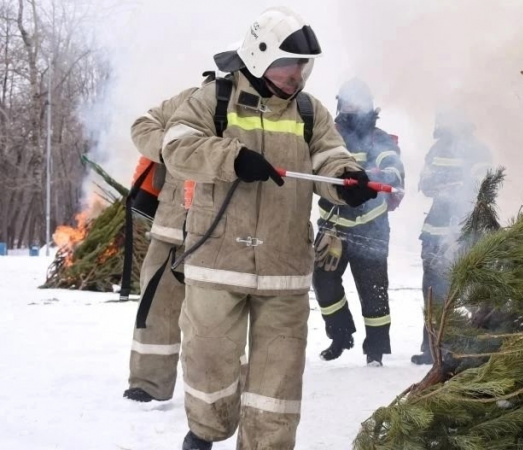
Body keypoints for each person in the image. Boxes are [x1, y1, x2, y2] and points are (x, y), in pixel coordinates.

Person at [161, 7, 376, 450]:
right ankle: (204, 433)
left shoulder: (309, 111)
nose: (297, 74)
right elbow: (176, 147)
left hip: (284, 269)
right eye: (287, 63)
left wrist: (347, 179)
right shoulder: (212, 98)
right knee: (209, 363)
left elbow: (328, 159)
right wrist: (231, 158)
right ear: (259, 57)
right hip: (217, 265)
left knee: (277, 383)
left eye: (302, 65)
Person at [312, 78, 405, 367]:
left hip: (371, 228)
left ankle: (375, 352)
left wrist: (373, 176)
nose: (352, 108)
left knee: (373, 290)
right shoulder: (329, 135)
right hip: (333, 227)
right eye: (347, 102)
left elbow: (394, 168)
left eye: (357, 102)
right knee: (323, 282)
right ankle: (340, 335)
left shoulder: (381, 139)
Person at [123, 84, 202, 403]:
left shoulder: (258, 107)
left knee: (219, 318)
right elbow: (143, 125)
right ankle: (148, 382)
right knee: (154, 311)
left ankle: (222, 388)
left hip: (224, 238)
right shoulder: (191, 98)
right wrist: (173, 148)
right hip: (171, 228)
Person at [411, 108, 491, 365]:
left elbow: (481, 187)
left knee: (467, 291)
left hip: (464, 232)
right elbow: (424, 182)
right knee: (433, 292)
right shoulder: (436, 150)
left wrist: (456, 189)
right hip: (434, 232)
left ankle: (467, 346)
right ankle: (432, 347)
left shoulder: (478, 151)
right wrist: (438, 184)